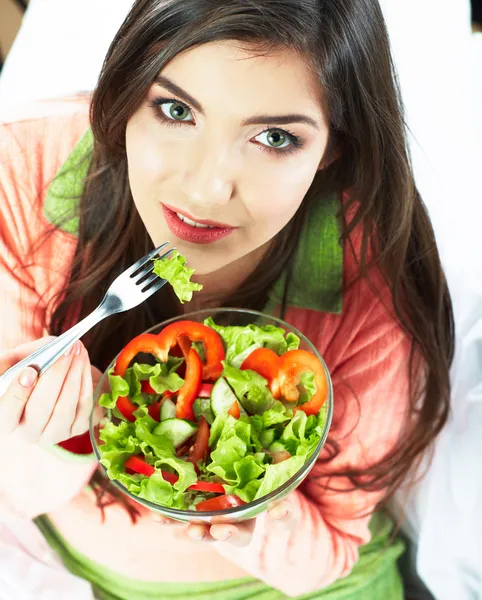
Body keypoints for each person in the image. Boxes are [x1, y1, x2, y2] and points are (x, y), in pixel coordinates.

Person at [0, 0, 454, 598]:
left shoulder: (371, 276)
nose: (205, 188)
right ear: (125, 89)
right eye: (175, 109)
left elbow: (332, 554)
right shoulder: (23, 173)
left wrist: (254, 520)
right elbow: (16, 490)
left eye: (273, 136)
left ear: (333, 149)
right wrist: (55, 436)